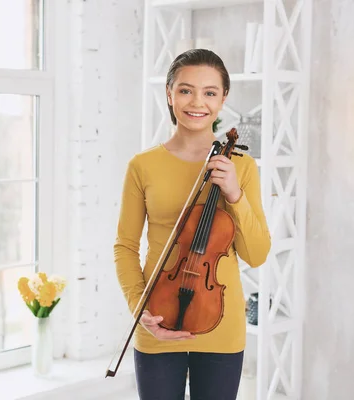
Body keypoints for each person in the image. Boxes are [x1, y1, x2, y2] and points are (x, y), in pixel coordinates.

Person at [113, 49, 271, 400]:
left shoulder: (242, 167)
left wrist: (234, 194)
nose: (196, 102)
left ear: (223, 99)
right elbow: (125, 246)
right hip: (159, 316)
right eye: (185, 90)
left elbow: (257, 254)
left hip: (222, 322)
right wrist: (140, 308)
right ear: (169, 94)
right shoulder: (143, 166)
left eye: (210, 92)